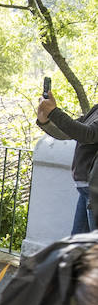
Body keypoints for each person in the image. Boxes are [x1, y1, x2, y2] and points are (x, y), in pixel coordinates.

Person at [37, 92, 98, 234]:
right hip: (86, 190)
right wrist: (46, 120)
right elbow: (70, 131)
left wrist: (53, 112)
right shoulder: (96, 109)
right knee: (77, 246)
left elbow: (87, 134)